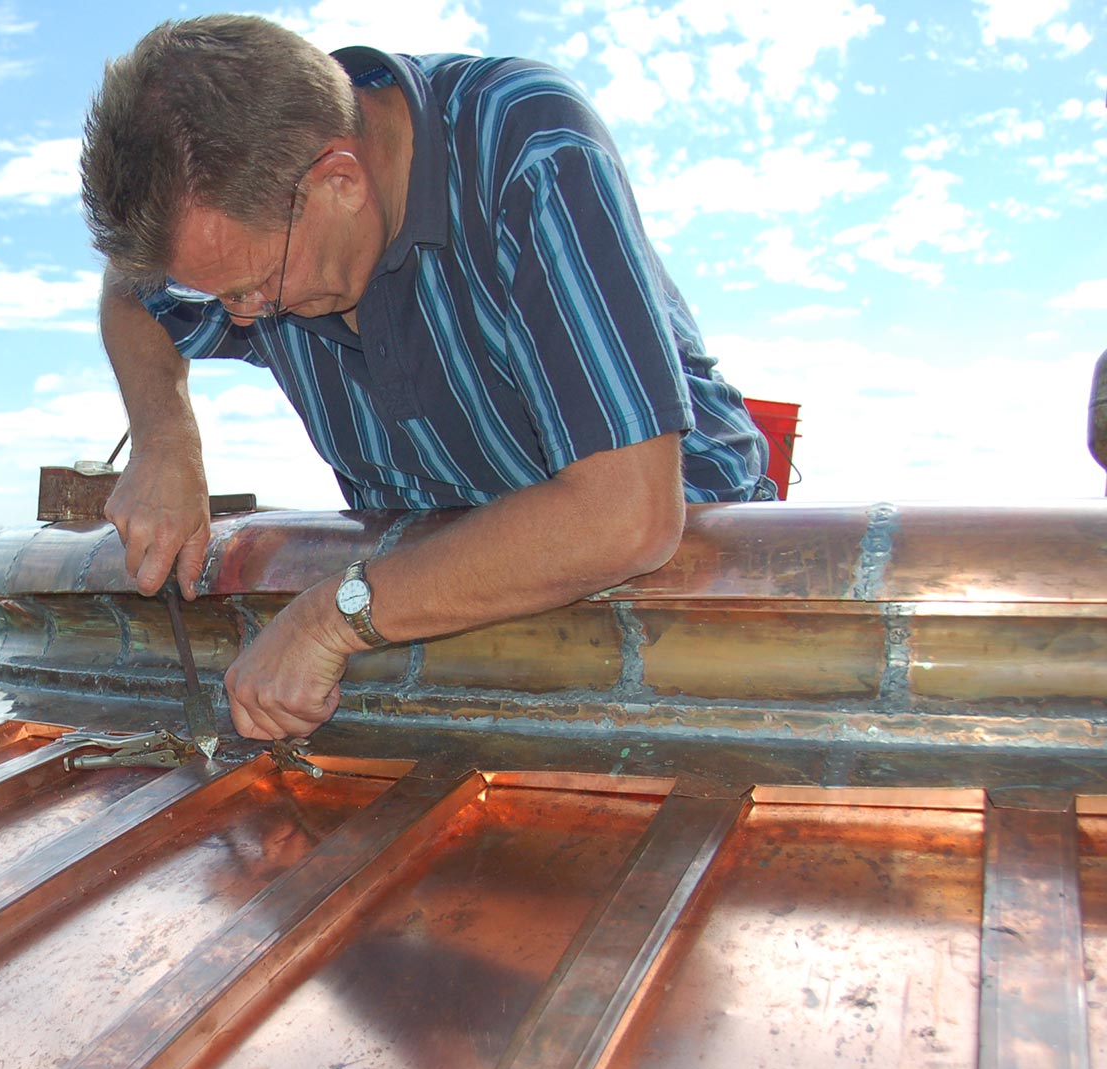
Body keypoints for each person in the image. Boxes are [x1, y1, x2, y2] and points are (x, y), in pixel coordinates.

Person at [78, 15, 771, 741]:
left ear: (340, 179)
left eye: (252, 285)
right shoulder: (258, 233)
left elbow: (626, 515)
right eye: (217, 294)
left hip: (686, 624)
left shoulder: (529, 146)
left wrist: (332, 617)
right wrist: (164, 441)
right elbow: (131, 292)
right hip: (436, 625)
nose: (245, 318)